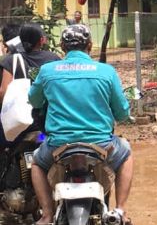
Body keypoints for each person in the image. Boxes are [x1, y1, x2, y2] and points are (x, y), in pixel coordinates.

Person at [28, 24, 133, 224]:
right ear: (90, 45)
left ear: (62, 46)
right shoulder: (106, 72)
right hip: (101, 147)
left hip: (58, 147)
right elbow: (122, 113)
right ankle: (120, 211)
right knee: (126, 153)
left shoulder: (47, 71)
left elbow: (34, 101)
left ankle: (47, 215)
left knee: (37, 162)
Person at [0, 24, 60, 149]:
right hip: (48, 121)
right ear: (42, 40)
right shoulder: (53, 58)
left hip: (20, 123)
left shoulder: (10, 60)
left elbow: (3, 92)